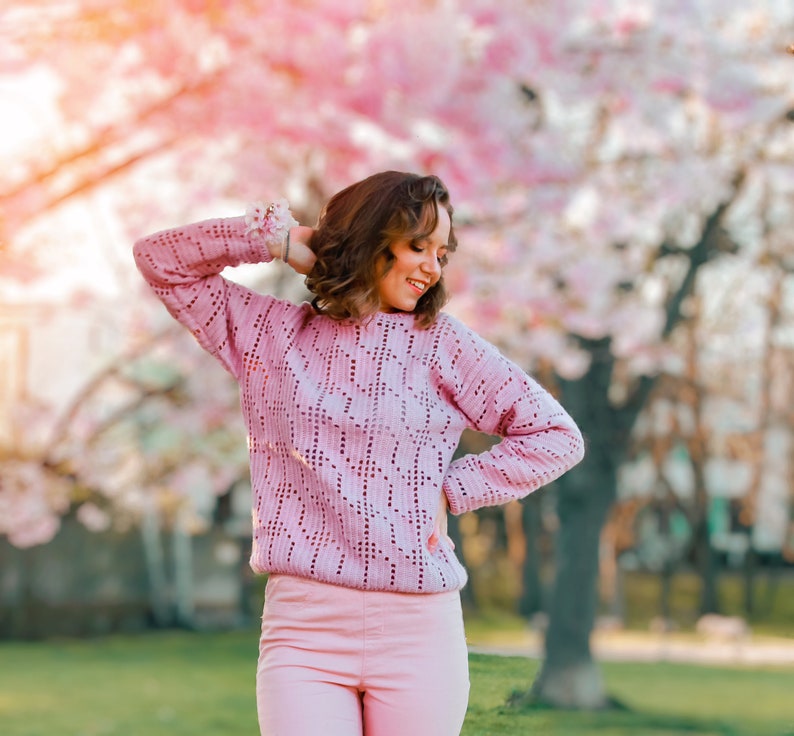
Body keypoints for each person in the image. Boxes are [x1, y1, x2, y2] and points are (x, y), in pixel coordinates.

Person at [133, 170, 585, 736]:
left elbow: (554, 435)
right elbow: (160, 260)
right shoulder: (267, 334)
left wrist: (452, 490)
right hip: (305, 630)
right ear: (368, 237)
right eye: (417, 246)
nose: (432, 266)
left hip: (418, 629)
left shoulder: (444, 343)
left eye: (442, 253)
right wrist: (277, 241)